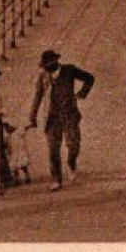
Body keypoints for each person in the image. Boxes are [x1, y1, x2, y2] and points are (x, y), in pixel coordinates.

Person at [27, 50, 95, 192]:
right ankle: (57, 179)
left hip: (69, 114)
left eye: (47, 67)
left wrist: (82, 93)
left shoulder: (69, 70)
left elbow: (89, 78)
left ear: (55, 63)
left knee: (74, 144)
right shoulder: (43, 76)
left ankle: (71, 163)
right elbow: (38, 96)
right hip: (51, 117)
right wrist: (32, 116)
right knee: (53, 149)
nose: (45, 70)